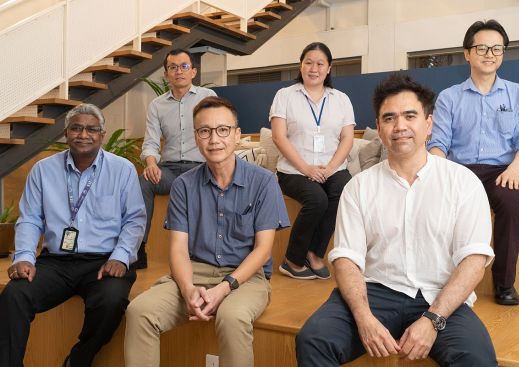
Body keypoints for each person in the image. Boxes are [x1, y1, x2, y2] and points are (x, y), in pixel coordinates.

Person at [296, 74, 497, 366]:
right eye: (389, 118)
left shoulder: (463, 182)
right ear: (378, 127)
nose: (399, 126)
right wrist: (364, 319)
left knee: (477, 359)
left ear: (429, 124)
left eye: (410, 116)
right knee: (313, 339)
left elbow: (474, 261)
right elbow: (346, 259)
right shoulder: (359, 186)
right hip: (375, 292)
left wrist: (432, 319)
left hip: (440, 296)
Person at [124, 96, 289, 367]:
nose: (214, 139)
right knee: (140, 311)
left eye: (223, 130)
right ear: (196, 137)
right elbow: (177, 249)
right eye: (205, 131)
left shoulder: (264, 183)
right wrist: (189, 289)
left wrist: (225, 288)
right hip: (194, 270)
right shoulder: (183, 185)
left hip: (245, 276)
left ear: (237, 135)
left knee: (233, 317)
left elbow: (262, 251)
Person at [0, 103, 146, 367]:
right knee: (14, 296)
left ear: (102, 135)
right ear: (66, 134)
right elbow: (30, 219)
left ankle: (78, 360)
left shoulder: (122, 169)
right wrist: (23, 257)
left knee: (111, 301)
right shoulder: (43, 170)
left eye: (92, 129)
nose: (83, 134)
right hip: (56, 262)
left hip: (104, 262)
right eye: (76, 128)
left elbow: (134, 220)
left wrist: (121, 257)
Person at [428, 19, 519, 305]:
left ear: (503, 54)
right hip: (459, 170)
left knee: (512, 200)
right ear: (467, 53)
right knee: (438, 201)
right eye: (482, 47)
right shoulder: (449, 98)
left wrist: (514, 168)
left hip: (502, 170)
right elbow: (438, 144)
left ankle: (504, 284)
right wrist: (440, 174)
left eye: (497, 48)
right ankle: (442, 280)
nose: (490, 53)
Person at [270, 42, 355, 280]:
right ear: (301, 65)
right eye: (308, 62)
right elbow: (278, 136)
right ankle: (292, 260)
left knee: (343, 191)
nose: (313, 68)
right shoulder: (285, 96)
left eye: (320, 63)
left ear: (329, 68)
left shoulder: (341, 99)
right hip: (294, 170)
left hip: (333, 167)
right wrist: (306, 168)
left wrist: (329, 169)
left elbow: (347, 138)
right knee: (317, 199)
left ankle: (314, 252)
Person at [138, 48, 217, 268]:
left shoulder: (208, 97)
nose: (178, 71)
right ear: (166, 74)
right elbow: (151, 142)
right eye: (172, 67)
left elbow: (216, 134)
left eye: (183, 66)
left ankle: (205, 252)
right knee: (143, 182)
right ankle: (138, 249)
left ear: (193, 71)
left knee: (207, 186)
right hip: (169, 170)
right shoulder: (157, 105)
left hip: (200, 168)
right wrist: (151, 163)